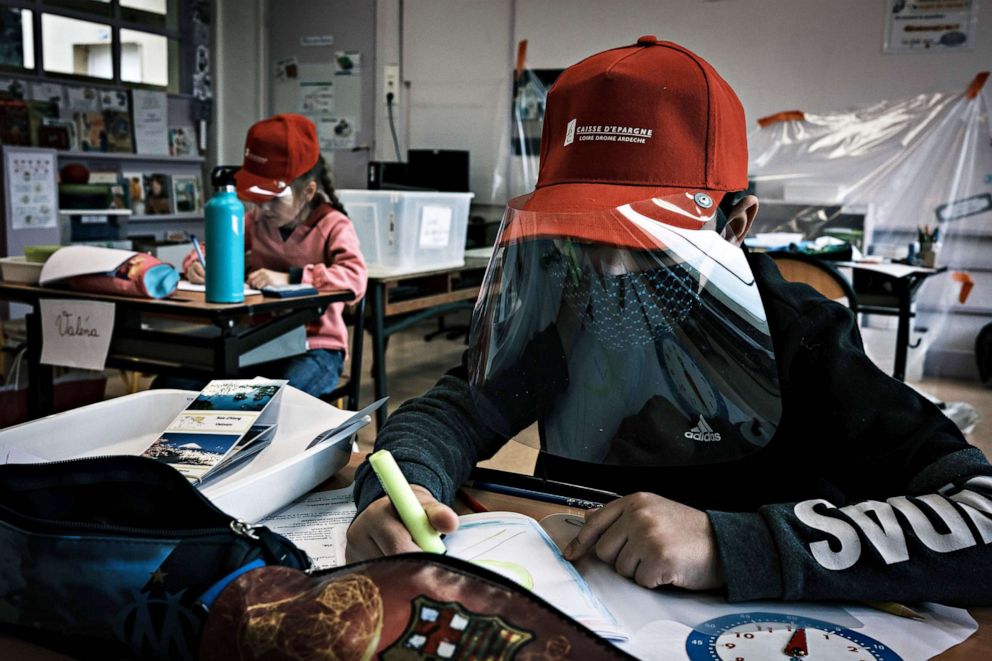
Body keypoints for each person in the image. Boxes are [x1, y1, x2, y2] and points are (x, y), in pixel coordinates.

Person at [347, 37, 992, 607]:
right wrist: (400, 491)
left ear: (735, 224)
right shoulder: (570, 316)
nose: (613, 271)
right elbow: (452, 412)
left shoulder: (805, 339)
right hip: (581, 605)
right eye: (585, 235)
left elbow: (980, 516)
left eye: (651, 239)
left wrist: (728, 545)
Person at [160, 113, 367, 397]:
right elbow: (213, 246)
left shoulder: (333, 224)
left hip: (315, 347)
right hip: (257, 342)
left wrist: (292, 278)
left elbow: (355, 279)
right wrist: (198, 263)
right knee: (171, 385)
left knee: (276, 402)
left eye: (272, 199)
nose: (263, 208)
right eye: (257, 198)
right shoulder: (256, 220)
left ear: (308, 191)